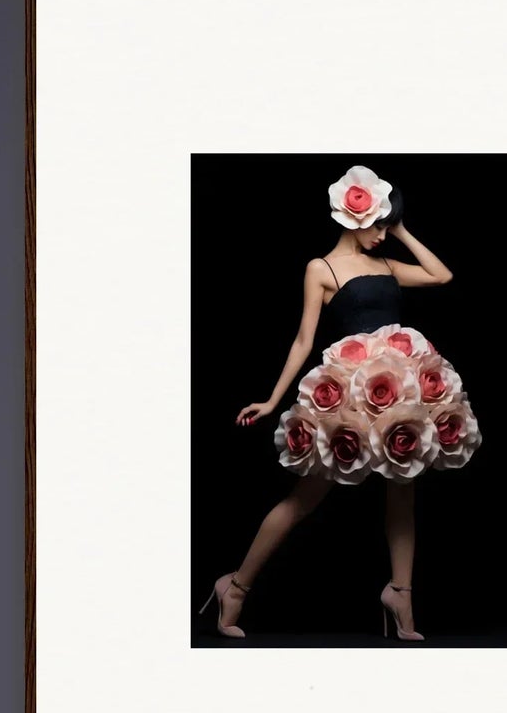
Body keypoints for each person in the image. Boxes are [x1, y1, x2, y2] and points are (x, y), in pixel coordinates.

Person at [200, 165, 481, 641]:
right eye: (377, 225)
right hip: (353, 392)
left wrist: (401, 228)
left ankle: (401, 597)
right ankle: (236, 586)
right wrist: (272, 400)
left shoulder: (388, 264)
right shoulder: (322, 268)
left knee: (403, 489)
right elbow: (303, 339)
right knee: (304, 497)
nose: (382, 235)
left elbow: (442, 276)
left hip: (401, 391)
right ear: (352, 220)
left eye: (386, 226)